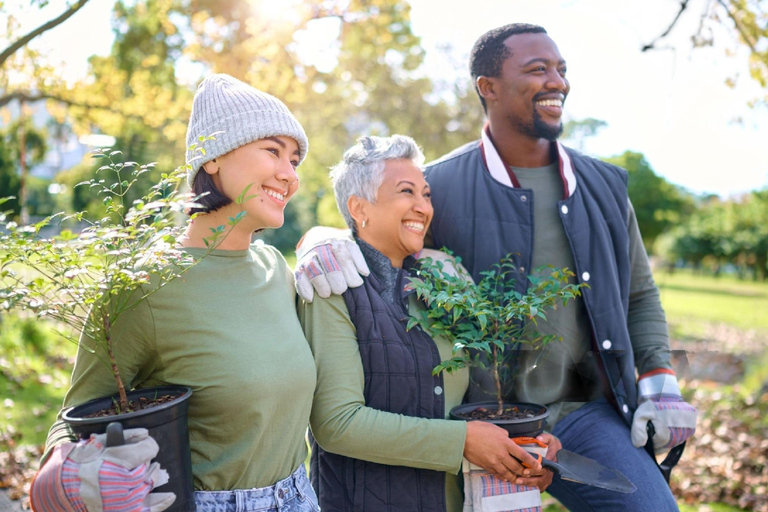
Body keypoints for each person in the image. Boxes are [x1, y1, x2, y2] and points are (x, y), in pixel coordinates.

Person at [294, 24, 697, 512]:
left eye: (561, 69)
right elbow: (384, 242)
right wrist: (322, 239)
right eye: (537, 69)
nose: (558, 82)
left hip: (588, 415)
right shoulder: (438, 185)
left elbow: (638, 293)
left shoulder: (605, 187)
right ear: (488, 87)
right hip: (481, 417)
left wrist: (659, 379)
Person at [31, 74, 320, 512]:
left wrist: (326, 239)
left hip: (300, 496)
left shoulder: (275, 270)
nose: (289, 174)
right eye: (272, 151)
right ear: (213, 159)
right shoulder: (145, 286)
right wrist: (58, 476)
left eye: (295, 160)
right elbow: (75, 421)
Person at [299, 134, 558, 512]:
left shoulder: (446, 278)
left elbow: (485, 396)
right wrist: (461, 441)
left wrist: (527, 441)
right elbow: (338, 424)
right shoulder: (330, 282)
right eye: (407, 192)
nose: (423, 207)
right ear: (359, 207)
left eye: (426, 194)